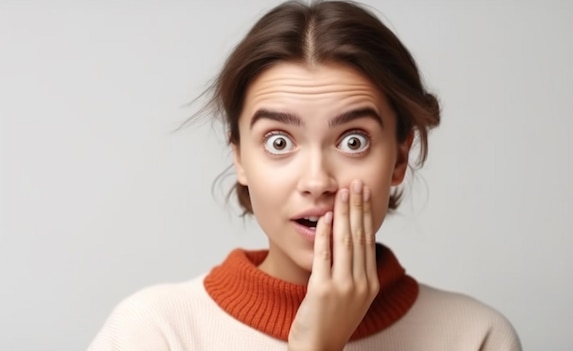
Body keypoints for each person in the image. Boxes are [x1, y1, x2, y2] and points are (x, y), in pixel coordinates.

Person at [89, 1, 522, 350]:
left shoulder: (475, 336)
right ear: (239, 158)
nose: (317, 180)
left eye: (354, 140)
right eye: (279, 141)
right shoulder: (153, 332)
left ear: (398, 159)